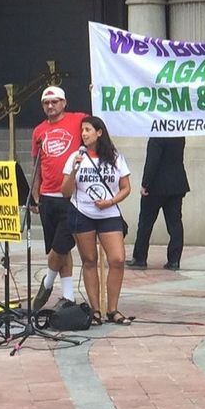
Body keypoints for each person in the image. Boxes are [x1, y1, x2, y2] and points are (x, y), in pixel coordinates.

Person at [61, 115, 132, 325]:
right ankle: (95, 311)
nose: (84, 134)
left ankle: (113, 309)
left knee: (117, 259)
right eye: (82, 130)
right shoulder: (76, 157)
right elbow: (65, 191)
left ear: (99, 133)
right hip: (82, 212)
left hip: (108, 213)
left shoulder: (115, 157)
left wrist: (111, 202)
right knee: (89, 261)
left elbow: (126, 187)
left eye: (88, 130)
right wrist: (74, 169)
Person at [29, 86, 86, 310]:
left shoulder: (77, 120)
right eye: (46, 103)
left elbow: (100, 123)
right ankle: (69, 296)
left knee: (61, 246)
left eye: (55, 101)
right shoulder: (38, 131)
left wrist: (96, 90)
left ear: (64, 102)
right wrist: (35, 195)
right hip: (46, 196)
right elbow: (36, 165)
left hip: (70, 196)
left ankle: (48, 282)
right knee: (59, 248)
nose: (50, 106)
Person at [127, 136, 190, 271]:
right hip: (176, 185)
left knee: (145, 223)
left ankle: (140, 257)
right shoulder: (179, 136)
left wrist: (145, 184)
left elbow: (152, 161)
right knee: (175, 224)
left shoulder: (156, 137)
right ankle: (174, 260)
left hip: (155, 187)